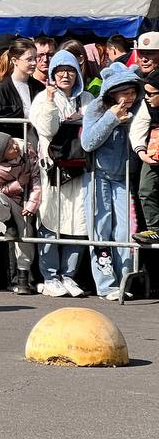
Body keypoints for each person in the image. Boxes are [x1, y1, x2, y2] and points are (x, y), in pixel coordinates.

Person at [29, 50, 89, 298]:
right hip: (52, 170)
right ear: (53, 74)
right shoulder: (43, 97)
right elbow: (46, 128)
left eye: (71, 70)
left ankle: (69, 275)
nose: (66, 75)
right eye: (60, 70)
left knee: (78, 222)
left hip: (79, 169)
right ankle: (50, 275)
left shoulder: (86, 98)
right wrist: (52, 102)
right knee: (49, 220)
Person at [80, 63, 143, 300]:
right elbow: (88, 142)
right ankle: (106, 285)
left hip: (125, 178)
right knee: (101, 229)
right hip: (98, 178)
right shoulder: (97, 109)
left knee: (127, 231)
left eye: (132, 91)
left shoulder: (139, 110)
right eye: (124, 91)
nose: (129, 96)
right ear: (112, 92)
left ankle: (125, 278)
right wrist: (111, 118)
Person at [0, 130, 41, 295]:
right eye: (9, 147)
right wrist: (18, 183)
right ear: (2, 156)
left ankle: (23, 278)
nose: (15, 146)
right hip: (8, 204)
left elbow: (36, 177)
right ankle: (8, 224)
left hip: (28, 201)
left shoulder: (26, 149)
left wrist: (31, 205)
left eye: (11, 141)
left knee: (25, 233)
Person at [131, 71, 159, 243]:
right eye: (145, 93)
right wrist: (142, 153)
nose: (147, 97)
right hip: (153, 154)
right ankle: (155, 229)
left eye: (151, 94)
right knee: (146, 188)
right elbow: (138, 128)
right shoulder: (147, 105)